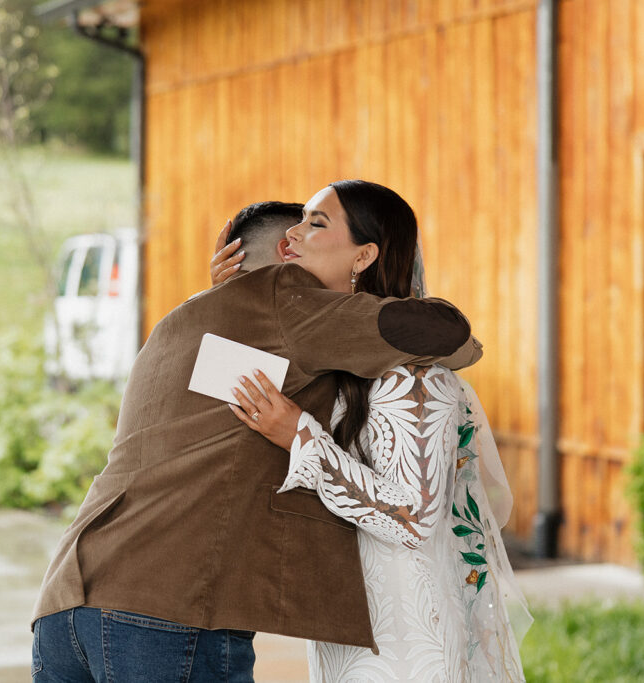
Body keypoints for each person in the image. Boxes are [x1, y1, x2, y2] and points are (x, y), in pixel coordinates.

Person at [30, 199, 485, 682]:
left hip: (66, 606)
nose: (305, 241)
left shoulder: (185, 319)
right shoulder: (288, 302)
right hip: (164, 612)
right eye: (302, 230)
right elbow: (449, 335)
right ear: (287, 251)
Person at [220, 180, 532, 681]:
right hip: (342, 620)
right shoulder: (329, 364)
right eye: (299, 220)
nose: (292, 235)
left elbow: (413, 517)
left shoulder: (416, 377)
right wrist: (225, 298)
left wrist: (299, 435)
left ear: (363, 256)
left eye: (315, 223)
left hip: (406, 637)